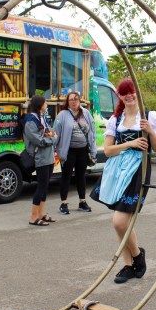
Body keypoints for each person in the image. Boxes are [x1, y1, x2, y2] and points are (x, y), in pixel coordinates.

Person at [89, 78, 156, 284]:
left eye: (131, 91)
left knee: (119, 221)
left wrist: (149, 131)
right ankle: (130, 263)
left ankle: (137, 256)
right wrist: (130, 142)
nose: (129, 95)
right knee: (122, 223)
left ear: (137, 92)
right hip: (117, 170)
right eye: (124, 93)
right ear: (119, 96)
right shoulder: (115, 119)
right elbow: (108, 150)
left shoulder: (150, 116)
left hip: (138, 169)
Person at [54, 91, 96, 215]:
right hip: (68, 151)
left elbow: (92, 132)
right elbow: (56, 132)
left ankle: (82, 202)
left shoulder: (86, 113)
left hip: (83, 150)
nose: (73, 101)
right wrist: (54, 147)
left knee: (81, 176)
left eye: (76, 99)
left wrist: (93, 149)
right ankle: (64, 203)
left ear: (79, 100)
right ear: (67, 101)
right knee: (66, 176)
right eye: (71, 99)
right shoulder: (62, 115)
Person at [23, 95, 58, 226]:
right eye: (45, 102)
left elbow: (50, 132)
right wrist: (53, 138)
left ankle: (41, 214)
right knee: (41, 186)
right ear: (40, 105)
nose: (47, 104)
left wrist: (50, 135)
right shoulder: (30, 121)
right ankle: (33, 217)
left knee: (45, 186)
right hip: (40, 157)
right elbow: (39, 140)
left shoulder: (41, 118)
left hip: (48, 156)